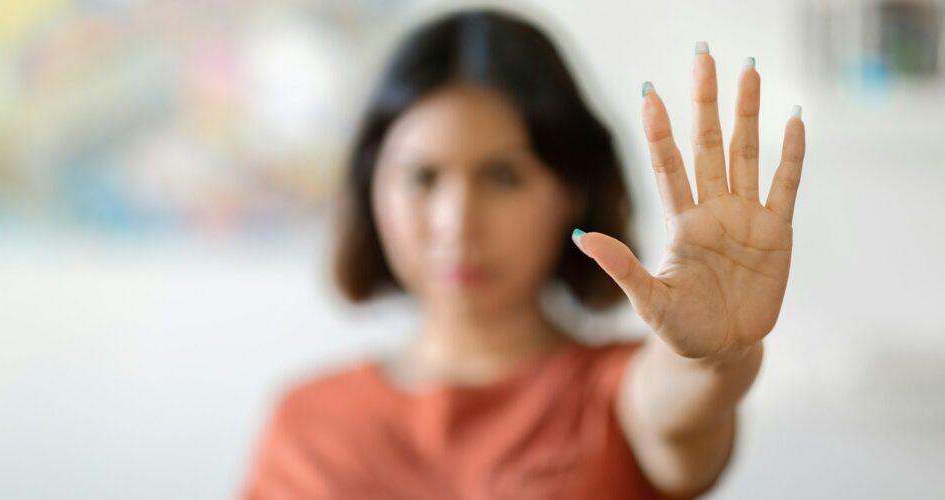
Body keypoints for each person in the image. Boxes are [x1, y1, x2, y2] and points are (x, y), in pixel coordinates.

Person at [240, 7, 805, 500]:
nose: (455, 223)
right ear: (370, 190)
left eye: (503, 176)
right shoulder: (303, 420)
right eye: (421, 177)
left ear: (572, 192)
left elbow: (682, 400)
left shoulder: (617, 397)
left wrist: (715, 356)